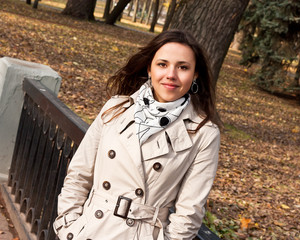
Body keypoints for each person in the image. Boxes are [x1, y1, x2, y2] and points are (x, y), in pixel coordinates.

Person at [53, 29, 221, 240]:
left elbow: (189, 212)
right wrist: (68, 224)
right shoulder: (116, 107)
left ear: (195, 75)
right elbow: (79, 173)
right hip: (87, 231)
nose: (171, 74)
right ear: (150, 68)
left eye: (183, 67)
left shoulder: (203, 133)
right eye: (163, 64)